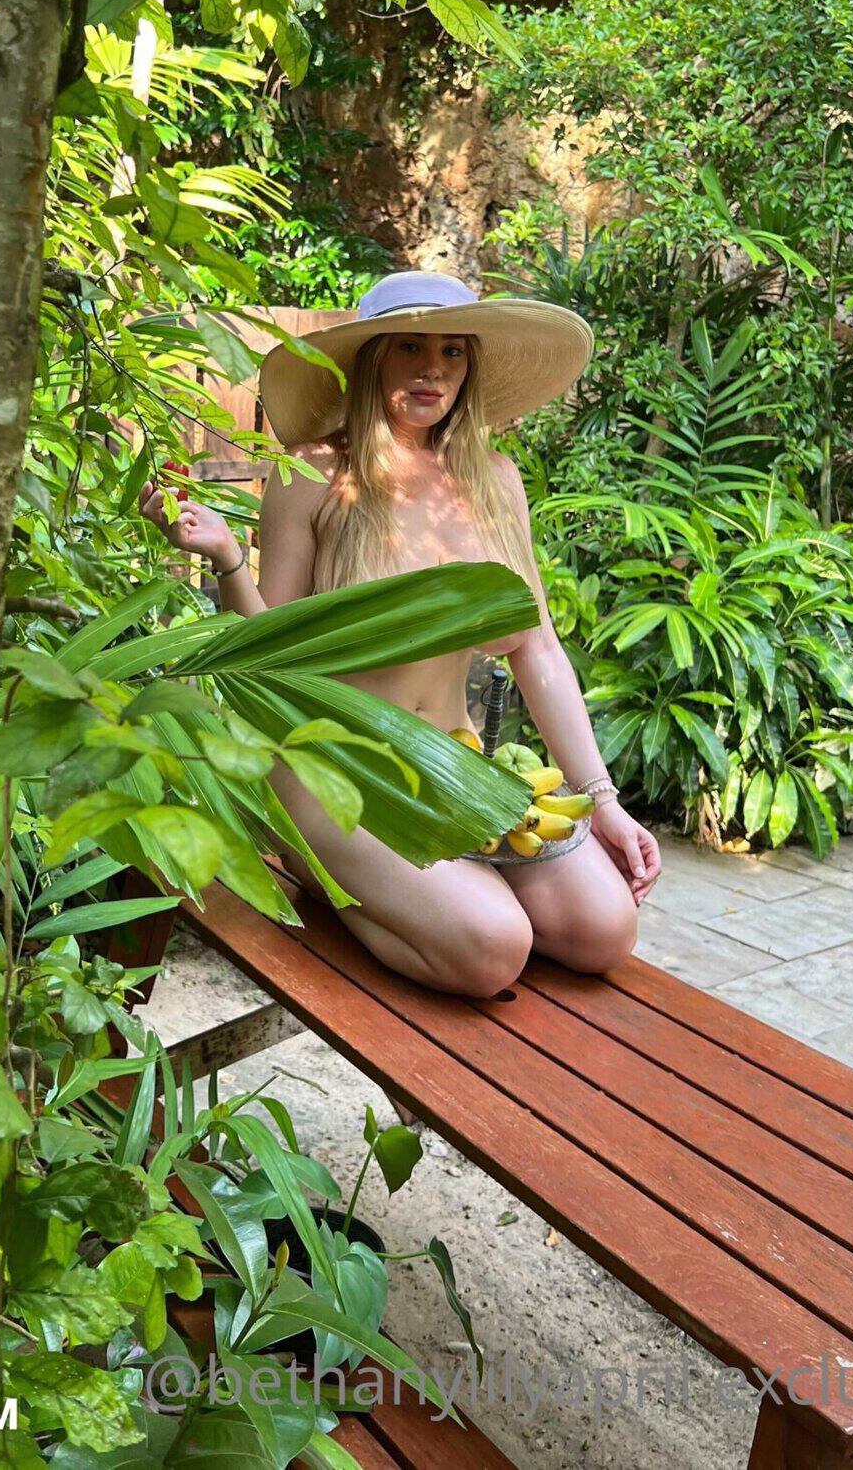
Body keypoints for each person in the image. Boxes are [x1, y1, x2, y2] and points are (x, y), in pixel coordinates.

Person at [139, 271, 662, 998]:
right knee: (494, 949)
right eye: (409, 347)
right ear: (370, 360)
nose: (432, 369)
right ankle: (327, 877)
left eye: (452, 351)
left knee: (603, 931)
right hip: (334, 768)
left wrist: (601, 799)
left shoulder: (495, 480)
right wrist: (228, 558)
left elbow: (538, 648)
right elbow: (265, 656)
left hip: (453, 760)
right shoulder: (315, 473)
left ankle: (424, 887)